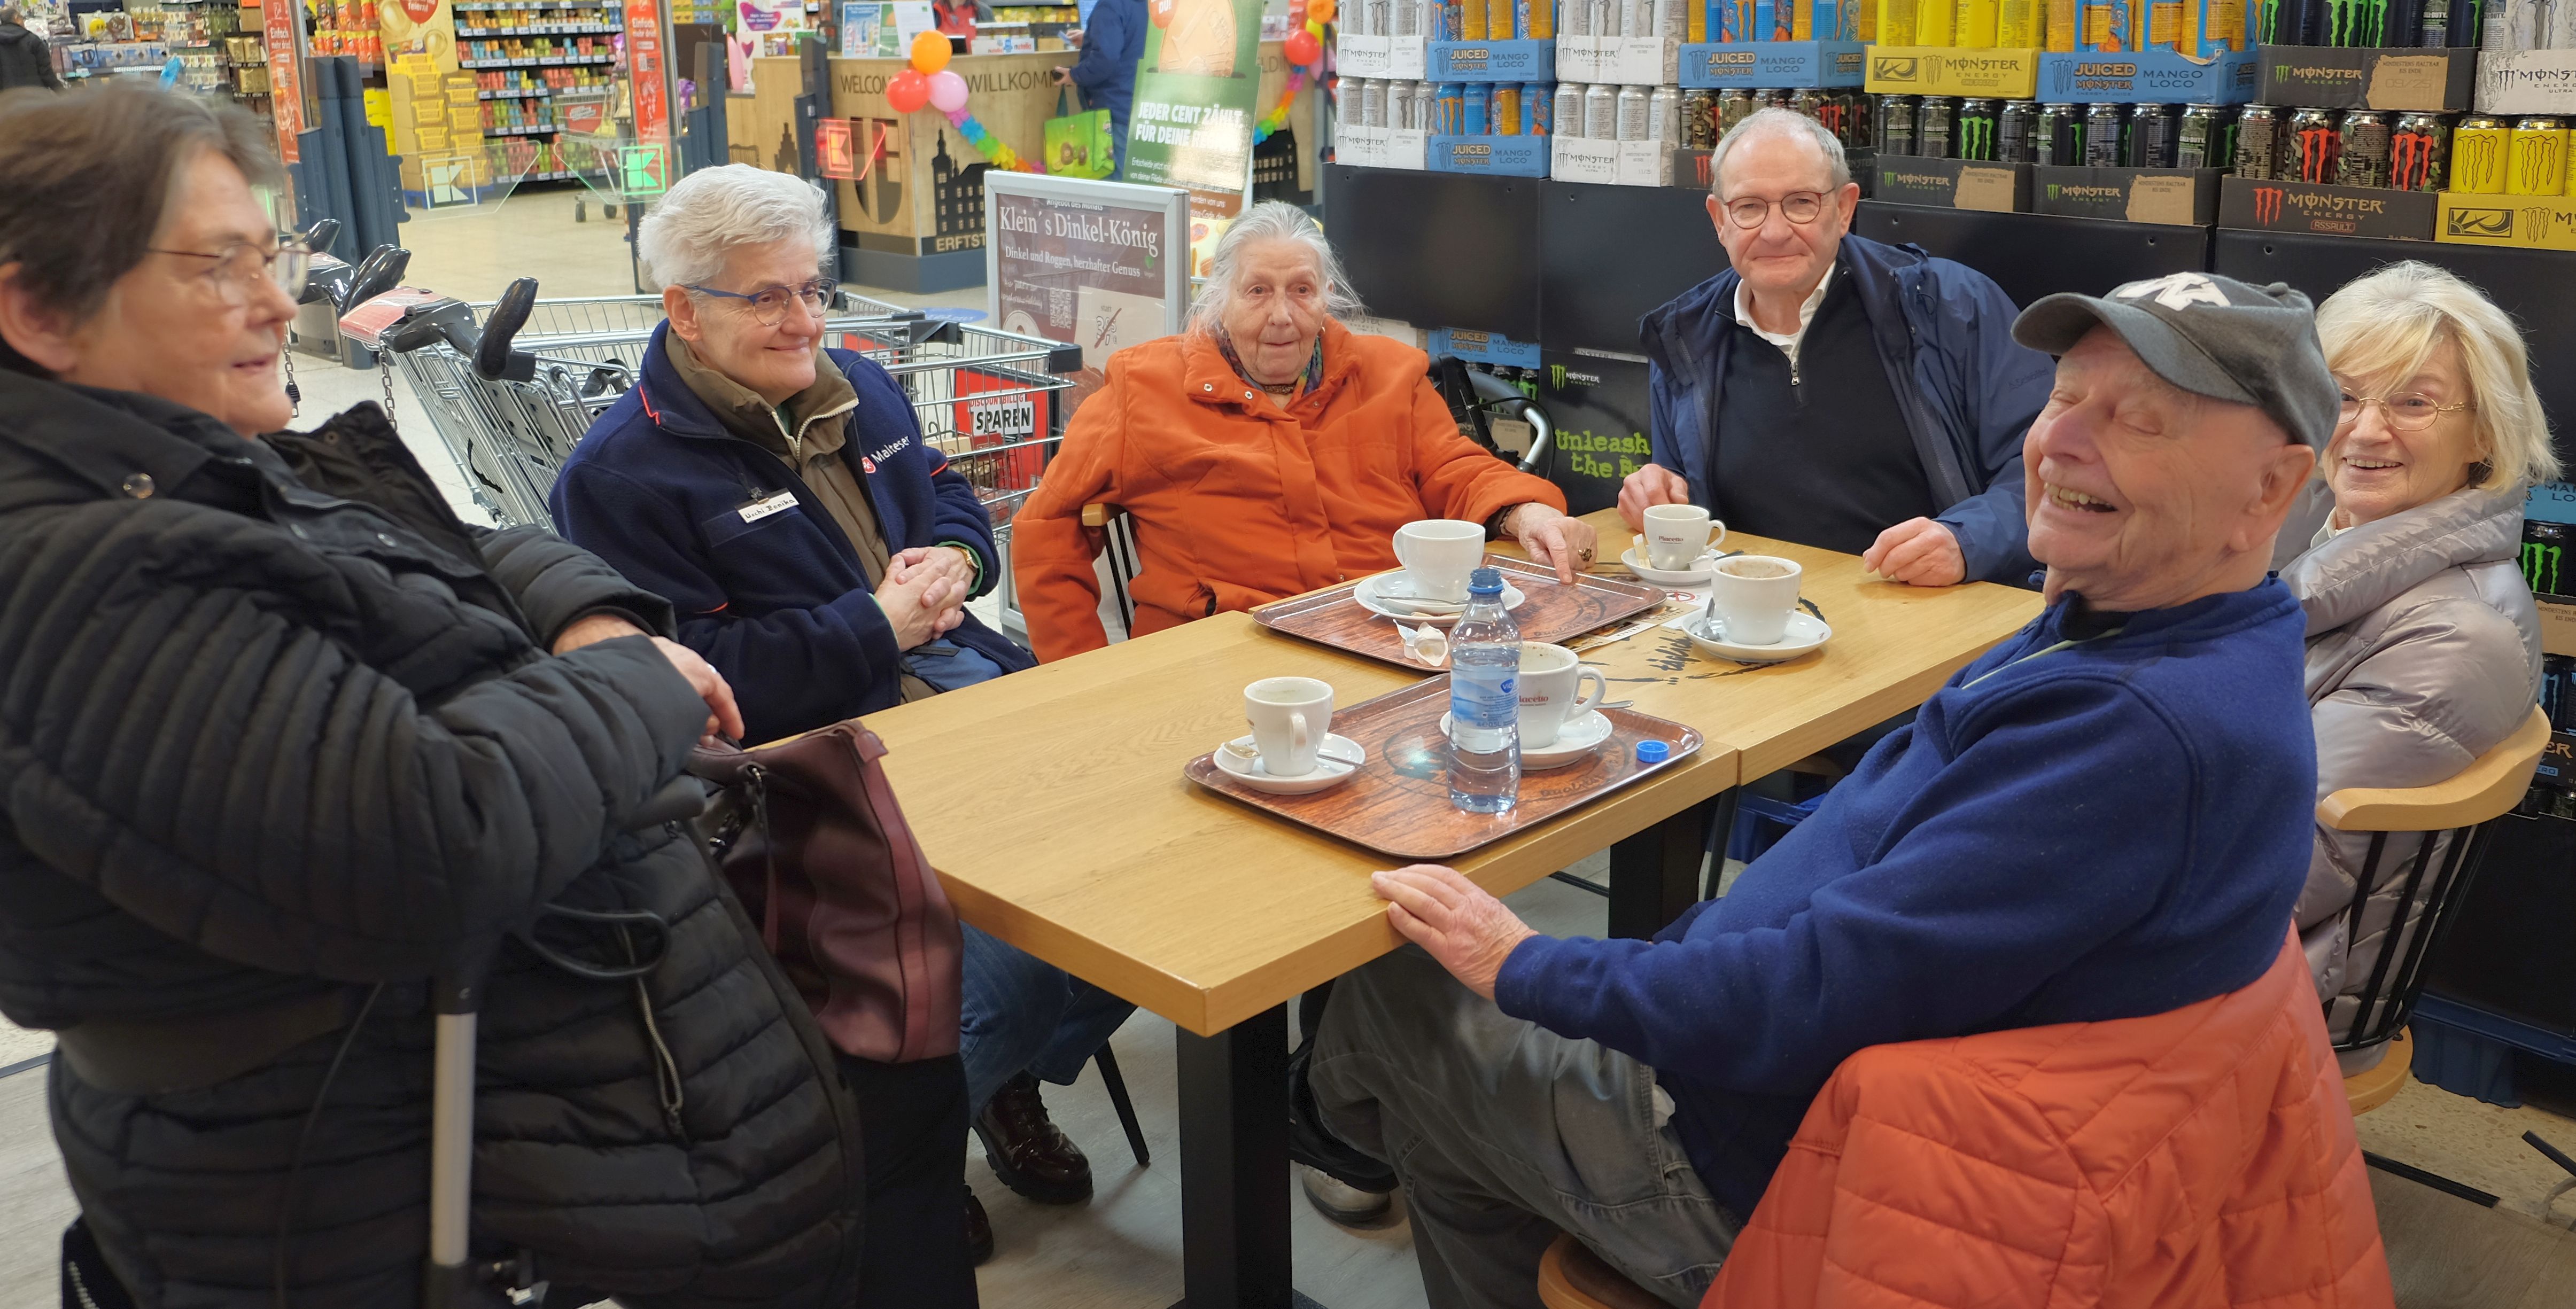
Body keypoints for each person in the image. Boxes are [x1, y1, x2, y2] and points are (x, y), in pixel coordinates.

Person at [1305, 271, 2334, 1308]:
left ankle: (1320, 1127)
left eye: (2142, 422)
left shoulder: (2135, 735)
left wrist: (1529, 965)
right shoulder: (2161, 636)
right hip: (1826, 1104)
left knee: (1396, 993)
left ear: (2272, 489)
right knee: (1444, 1102)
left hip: (1769, 1168)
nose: (2061, 440)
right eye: (2064, 394)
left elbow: (1806, 996)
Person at [0, 85, 866, 1308]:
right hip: (370, 1175)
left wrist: (584, 609)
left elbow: (438, 544)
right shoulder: (76, 573)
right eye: (216, 266)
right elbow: (432, 829)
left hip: (468, 1131)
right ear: (38, 309)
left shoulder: (176, 465)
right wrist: (636, 679)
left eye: (270, 255)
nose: (276, 302)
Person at [548, 163, 1134, 1271]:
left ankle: (984, 1083)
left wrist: (955, 561)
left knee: (1148, 888)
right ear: (685, 310)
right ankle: (900, 1152)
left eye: (813, 288)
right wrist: (876, 628)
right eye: (767, 296)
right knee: (1006, 977)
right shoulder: (621, 476)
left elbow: (949, 493)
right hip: (819, 764)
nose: (805, 319)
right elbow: (698, 681)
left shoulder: (859, 382)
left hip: (965, 689)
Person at [1012, 201, 1596, 660]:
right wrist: (1081, 672)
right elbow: (1046, 526)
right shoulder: (1144, 388)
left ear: (1326, 298)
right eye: (1257, 291)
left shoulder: (1388, 373)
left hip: (1389, 636)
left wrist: (1525, 513)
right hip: (1217, 652)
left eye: (1301, 290)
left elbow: (1453, 468)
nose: (1281, 316)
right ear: (1218, 298)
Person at [2283, 261, 2562, 1071]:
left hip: (2275, 987)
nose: (2365, 430)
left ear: (2485, 436)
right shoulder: (2317, 518)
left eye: (2413, 402)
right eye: (2343, 394)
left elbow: (2274, 871)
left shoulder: (2456, 636)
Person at [1623, 109, 2053, 586]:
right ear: (1719, 220)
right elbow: (1682, 499)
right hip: (1754, 612)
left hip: (1922, 605)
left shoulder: (1953, 307)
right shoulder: (1685, 340)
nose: (1775, 232)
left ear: (1845, 209)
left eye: (1801, 203)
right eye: (1749, 207)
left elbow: (2049, 470)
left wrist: (1966, 541)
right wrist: (1656, 489)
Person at [1054, 0, 1144, 178]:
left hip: (1113, 109)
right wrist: (1092, 37)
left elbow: (1104, 61)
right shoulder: (1146, 4)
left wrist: (1074, 75)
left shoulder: (1110, 6)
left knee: (1112, 180)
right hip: (1138, 106)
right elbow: (1133, 38)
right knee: (1134, 180)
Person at [0, 5, 64, 91]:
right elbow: (47, 74)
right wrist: (63, 93)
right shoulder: (33, 40)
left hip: (6, 97)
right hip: (34, 96)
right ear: (17, 19)